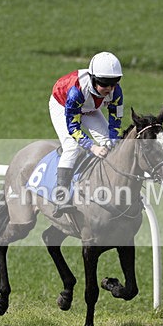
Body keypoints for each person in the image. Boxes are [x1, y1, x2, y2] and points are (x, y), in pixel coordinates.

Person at [48, 51, 125, 216]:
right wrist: (92, 147)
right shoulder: (76, 91)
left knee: (109, 142)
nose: (110, 89)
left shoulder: (116, 92)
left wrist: (111, 142)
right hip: (63, 104)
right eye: (105, 84)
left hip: (90, 107)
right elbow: (74, 128)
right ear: (93, 79)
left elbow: (115, 123)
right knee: (72, 147)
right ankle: (60, 198)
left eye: (114, 83)